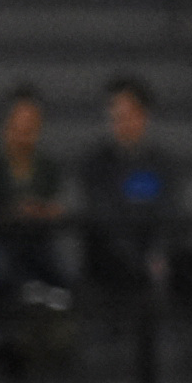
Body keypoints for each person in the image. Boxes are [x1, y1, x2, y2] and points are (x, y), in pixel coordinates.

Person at [0, 84, 72, 368]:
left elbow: (55, 206)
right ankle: (6, 342)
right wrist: (12, 212)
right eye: (19, 122)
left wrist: (43, 212)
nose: (25, 129)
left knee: (64, 273)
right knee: (0, 272)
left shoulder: (47, 166)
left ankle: (55, 343)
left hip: (38, 241)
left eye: (32, 123)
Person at [77, 78, 179, 292]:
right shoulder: (96, 164)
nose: (120, 122)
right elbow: (102, 214)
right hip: (107, 268)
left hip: (151, 263)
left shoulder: (163, 165)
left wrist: (157, 252)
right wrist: (136, 259)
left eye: (127, 114)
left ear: (144, 115)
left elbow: (168, 211)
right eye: (115, 116)